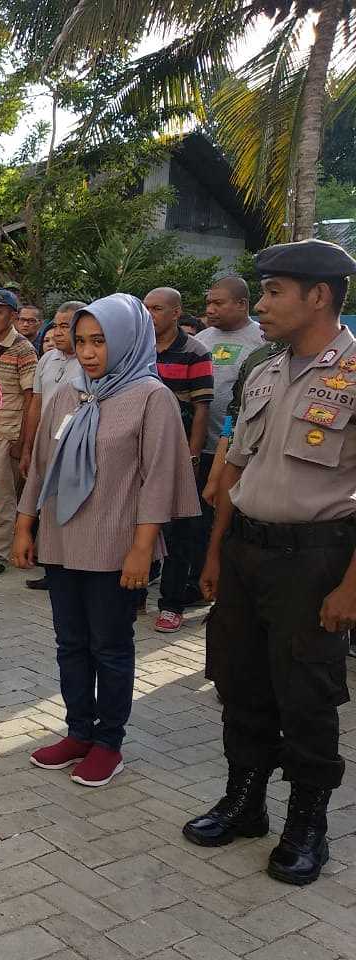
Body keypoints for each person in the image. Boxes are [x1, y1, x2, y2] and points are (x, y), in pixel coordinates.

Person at [185, 239, 356, 886]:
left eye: (274, 291)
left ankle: (307, 825)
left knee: (307, 696)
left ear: (319, 295)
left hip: (316, 560)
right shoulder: (265, 368)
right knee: (240, 684)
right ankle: (245, 801)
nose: (263, 304)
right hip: (246, 550)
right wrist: (216, 551)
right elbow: (236, 466)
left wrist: (352, 586)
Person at [15, 294, 199, 787]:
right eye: (81, 341)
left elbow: (158, 478)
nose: (89, 352)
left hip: (116, 545)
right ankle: (78, 731)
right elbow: (40, 466)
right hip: (62, 540)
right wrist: (24, 524)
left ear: (127, 340)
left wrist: (142, 548)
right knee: (70, 643)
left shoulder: (149, 396)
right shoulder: (68, 393)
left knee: (111, 647)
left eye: (100, 341)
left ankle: (109, 743)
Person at [144, 286, 213, 631]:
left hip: (179, 450)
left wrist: (193, 453)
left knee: (179, 531)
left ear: (175, 313)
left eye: (157, 308)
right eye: (146, 307)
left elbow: (201, 407)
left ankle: (171, 604)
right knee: (140, 523)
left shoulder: (194, 351)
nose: (150, 313)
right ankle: (134, 594)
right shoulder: (136, 348)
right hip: (141, 450)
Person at [190, 277, 264, 594]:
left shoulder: (263, 340)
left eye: (218, 303)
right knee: (195, 522)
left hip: (238, 450)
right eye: (208, 303)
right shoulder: (203, 339)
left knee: (227, 518)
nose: (211, 309)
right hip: (199, 446)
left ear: (242, 304)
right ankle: (194, 581)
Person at [19, 301, 86, 590]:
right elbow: (35, 402)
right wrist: (28, 446)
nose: (58, 332)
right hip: (44, 446)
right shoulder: (46, 359)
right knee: (45, 505)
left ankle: (73, 566)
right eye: (56, 325)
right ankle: (51, 565)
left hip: (73, 449)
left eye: (66, 326)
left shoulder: (89, 360)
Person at [0, 288, 37, 576]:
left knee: (1, 497)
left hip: (6, 432)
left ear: (13, 316)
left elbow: (31, 397)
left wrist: (23, 442)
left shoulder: (24, 349)